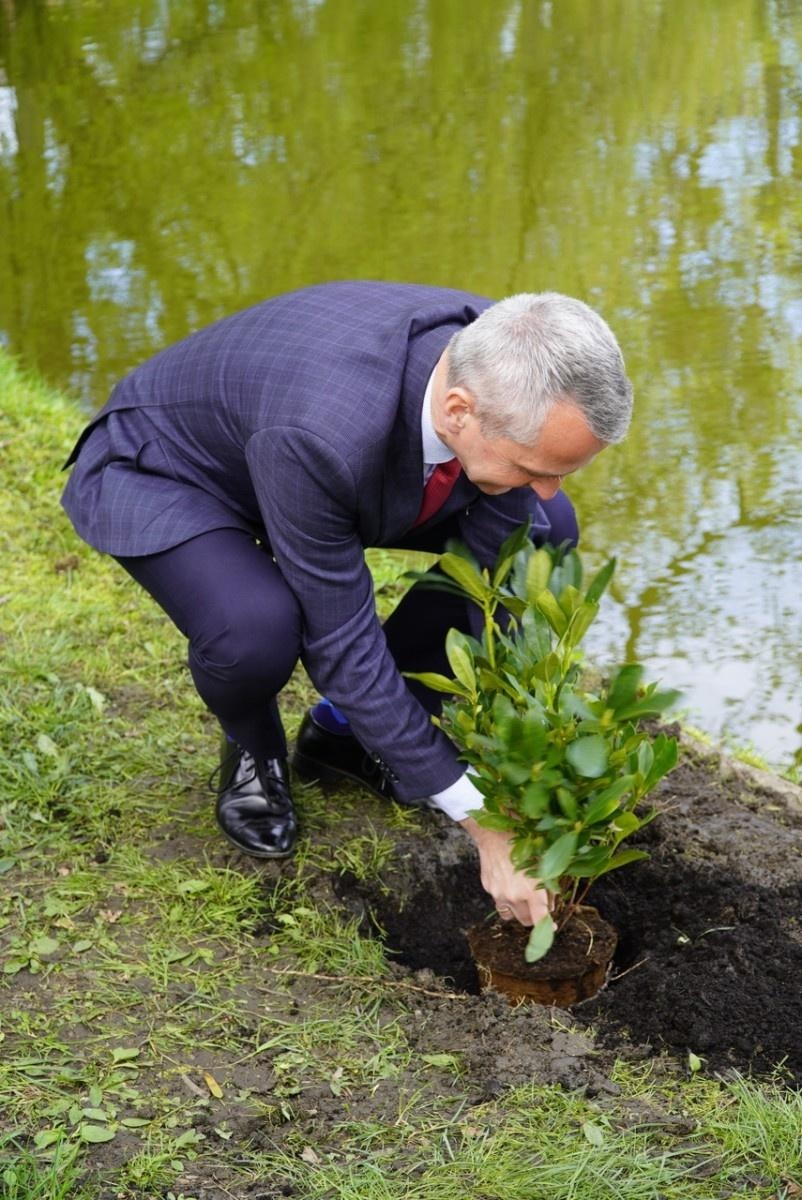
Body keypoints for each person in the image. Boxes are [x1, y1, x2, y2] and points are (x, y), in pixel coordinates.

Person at [61, 281, 632, 928]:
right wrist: (483, 823)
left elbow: (489, 570)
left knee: (544, 532)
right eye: (535, 466)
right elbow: (343, 644)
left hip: (321, 465)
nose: (549, 486)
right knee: (257, 627)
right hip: (177, 471)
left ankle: (348, 737)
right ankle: (254, 750)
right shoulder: (322, 432)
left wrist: (505, 741)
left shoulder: (507, 349)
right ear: (457, 410)